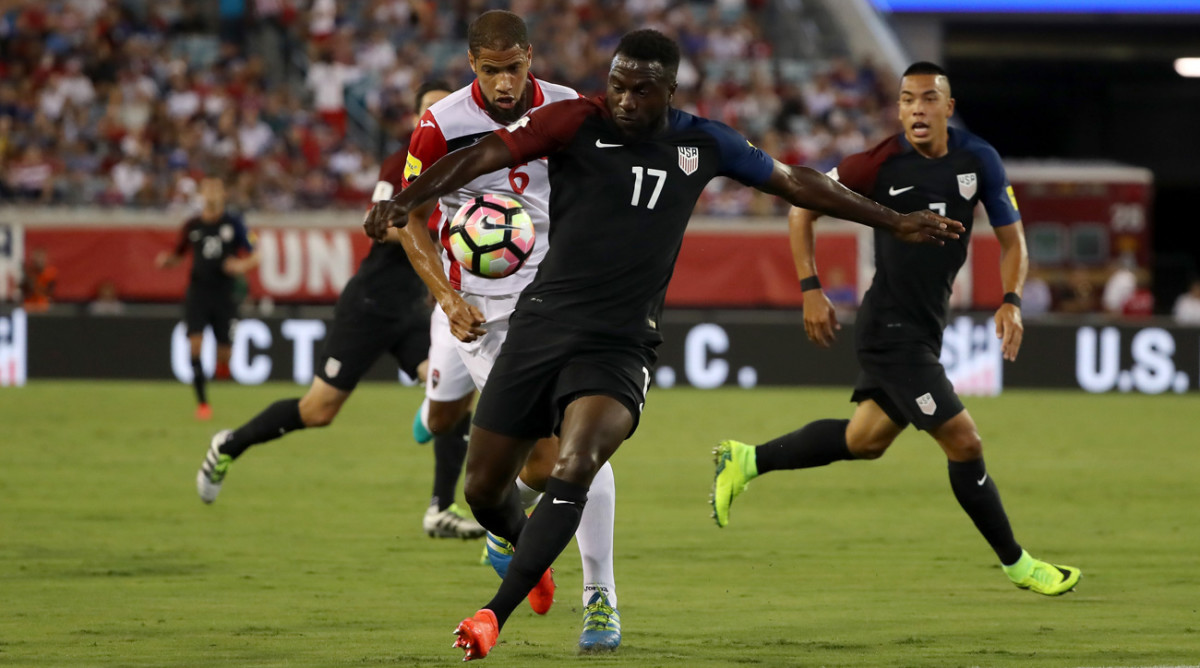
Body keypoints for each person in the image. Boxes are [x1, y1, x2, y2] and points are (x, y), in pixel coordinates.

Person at [364, 30, 962, 661]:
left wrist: (894, 220)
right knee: (484, 489)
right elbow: (484, 156)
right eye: (617, 84)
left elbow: (796, 182)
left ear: (670, 92)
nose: (622, 99)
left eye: (639, 90)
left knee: (577, 465)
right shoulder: (572, 119)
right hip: (541, 325)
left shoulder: (704, 142)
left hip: (620, 344)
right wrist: (407, 198)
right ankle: (524, 552)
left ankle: (526, 610)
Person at [710, 62, 1081, 599]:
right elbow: (800, 208)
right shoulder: (878, 162)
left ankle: (746, 459)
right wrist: (811, 288)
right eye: (907, 100)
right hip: (891, 330)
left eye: (928, 99)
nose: (916, 110)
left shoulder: (979, 159)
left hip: (925, 329)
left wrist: (1012, 301)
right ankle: (1018, 563)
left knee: (865, 440)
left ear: (948, 108)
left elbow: (1013, 241)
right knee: (964, 441)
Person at [396, 11, 622, 652]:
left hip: (562, 302)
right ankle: (506, 520)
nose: (503, 83)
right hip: (482, 314)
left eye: (513, 68)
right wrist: (444, 295)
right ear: (472, 65)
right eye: (491, 71)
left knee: (582, 452)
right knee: (467, 434)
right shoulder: (440, 127)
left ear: (530, 57)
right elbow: (408, 218)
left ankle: (599, 598)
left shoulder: (569, 108)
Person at [193, 82, 487, 541]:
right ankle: (229, 443)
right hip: (369, 306)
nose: (441, 115)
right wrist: (429, 236)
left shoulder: (465, 166)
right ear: (416, 119)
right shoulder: (402, 163)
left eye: (447, 106)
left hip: (412, 309)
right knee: (319, 410)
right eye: (431, 108)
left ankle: (440, 507)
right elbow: (381, 223)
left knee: (450, 391)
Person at [156, 177, 259, 420]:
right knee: (195, 343)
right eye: (207, 189)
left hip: (225, 294)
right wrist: (166, 261)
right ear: (201, 194)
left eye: (216, 189)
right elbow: (179, 254)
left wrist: (241, 265)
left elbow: (256, 253)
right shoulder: (192, 225)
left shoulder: (235, 223)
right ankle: (202, 403)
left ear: (223, 194)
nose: (212, 193)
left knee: (225, 352)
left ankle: (221, 368)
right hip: (198, 293)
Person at [20, 247, 57, 313]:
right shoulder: (29, 272)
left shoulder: (50, 273)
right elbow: (25, 292)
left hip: (43, 307)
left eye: (41, 257)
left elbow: (50, 293)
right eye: (37, 257)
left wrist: (34, 282)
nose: (39, 260)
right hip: (29, 306)